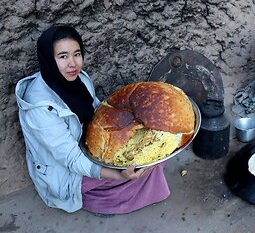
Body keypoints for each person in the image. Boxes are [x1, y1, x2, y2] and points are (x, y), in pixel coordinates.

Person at [15, 25, 170, 215]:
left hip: (87, 147)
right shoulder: (39, 107)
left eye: (77, 54)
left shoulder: (79, 80)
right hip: (64, 172)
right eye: (63, 56)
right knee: (133, 173)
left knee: (148, 156)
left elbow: (98, 115)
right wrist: (117, 174)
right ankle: (103, 200)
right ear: (48, 59)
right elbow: (71, 158)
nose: (73, 64)